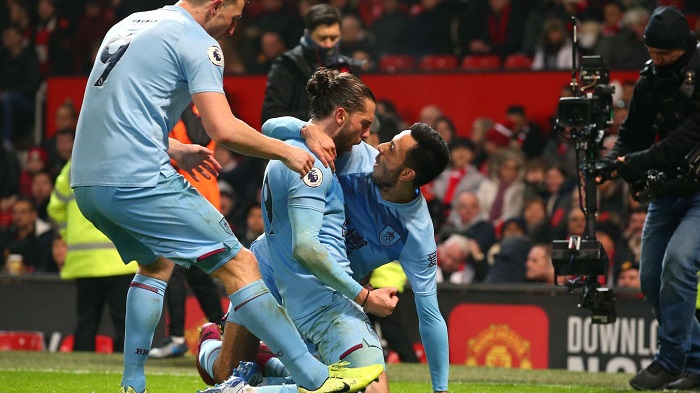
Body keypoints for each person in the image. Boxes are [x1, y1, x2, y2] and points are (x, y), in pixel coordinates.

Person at [69, 1, 383, 393]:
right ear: (216, 5)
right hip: (139, 178)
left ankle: (133, 384)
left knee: (156, 265)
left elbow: (112, 112)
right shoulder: (198, 41)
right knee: (241, 265)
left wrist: (172, 147)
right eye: (234, 17)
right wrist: (287, 150)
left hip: (87, 182)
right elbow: (224, 128)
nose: (234, 30)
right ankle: (314, 377)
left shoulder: (128, 24)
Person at [199, 119, 451, 391]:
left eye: (391, 149)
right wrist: (307, 129)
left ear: (406, 174)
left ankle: (264, 368)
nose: (379, 146)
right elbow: (271, 127)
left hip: (325, 291)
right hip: (270, 266)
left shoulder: (417, 233)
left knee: (371, 387)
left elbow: (431, 316)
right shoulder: (355, 157)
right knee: (227, 370)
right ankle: (211, 345)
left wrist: (440, 390)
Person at [197, 68, 394, 393]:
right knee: (226, 370)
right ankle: (216, 353)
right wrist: (363, 296)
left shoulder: (293, 144)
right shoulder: (308, 160)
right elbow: (307, 246)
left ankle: (263, 367)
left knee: (235, 371)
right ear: (341, 115)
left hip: (289, 267)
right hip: (282, 267)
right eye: (365, 124)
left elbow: (269, 125)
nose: (369, 136)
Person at [596, 6, 700, 391]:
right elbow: (632, 135)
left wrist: (629, 163)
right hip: (666, 190)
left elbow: (683, 140)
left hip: (699, 192)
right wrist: (610, 161)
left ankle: (670, 361)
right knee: (652, 277)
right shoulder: (648, 79)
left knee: (680, 262)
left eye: (665, 54)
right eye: (652, 53)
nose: (657, 61)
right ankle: (697, 362)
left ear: (686, 47)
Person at [47, 159, 138, 352]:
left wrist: (67, 234)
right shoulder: (124, 160)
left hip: (84, 260)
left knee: (86, 322)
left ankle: (80, 371)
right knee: (124, 322)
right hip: (119, 259)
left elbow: (55, 208)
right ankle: (127, 371)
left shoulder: (73, 166)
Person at [261, 3, 359, 124]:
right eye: (322, 38)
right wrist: (324, 115)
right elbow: (270, 117)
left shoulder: (347, 66)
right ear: (308, 35)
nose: (329, 44)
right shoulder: (287, 65)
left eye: (334, 38)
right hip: (297, 141)